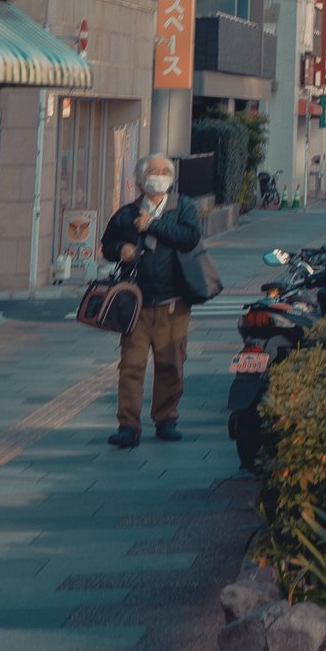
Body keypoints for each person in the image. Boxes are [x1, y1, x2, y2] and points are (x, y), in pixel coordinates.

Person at [101, 157, 204, 447]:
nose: (157, 177)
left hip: (174, 302)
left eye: (163, 172)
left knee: (171, 364)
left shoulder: (182, 207)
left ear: (171, 179)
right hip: (136, 304)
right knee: (131, 366)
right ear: (140, 178)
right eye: (152, 172)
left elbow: (190, 238)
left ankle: (166, 418)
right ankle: (128, 426)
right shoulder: (127, 213)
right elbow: (107, 243)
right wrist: (120, 249)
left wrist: (153, 226)